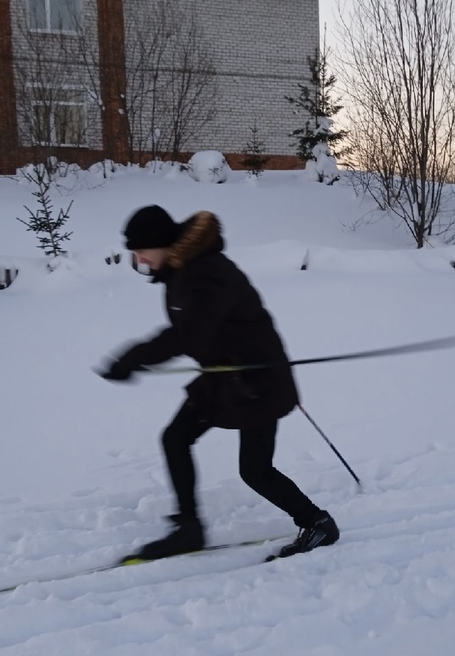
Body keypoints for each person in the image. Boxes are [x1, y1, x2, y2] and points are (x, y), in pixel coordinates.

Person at [97, 205, 339, 561]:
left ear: (162, 243)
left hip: (257, 382)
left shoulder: (205, 273)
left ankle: (318, 523)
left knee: (255, 470)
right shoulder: (181, 270)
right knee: (176, 437)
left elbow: (187, 333)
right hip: (225, 377)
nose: (138, 257)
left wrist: (133, 358)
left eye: (141, 248)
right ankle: (188, 529)